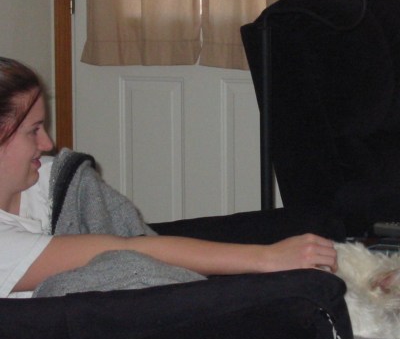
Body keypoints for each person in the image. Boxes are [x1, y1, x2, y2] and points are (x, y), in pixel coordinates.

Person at [0, 57, 337, 298]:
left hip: (139, 261)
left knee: (308, 223)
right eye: (34, 130)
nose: (48, 144)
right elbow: (122, 252)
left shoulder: (48, 177)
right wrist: (267, 258)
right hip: (98, 325)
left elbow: (130, 235)